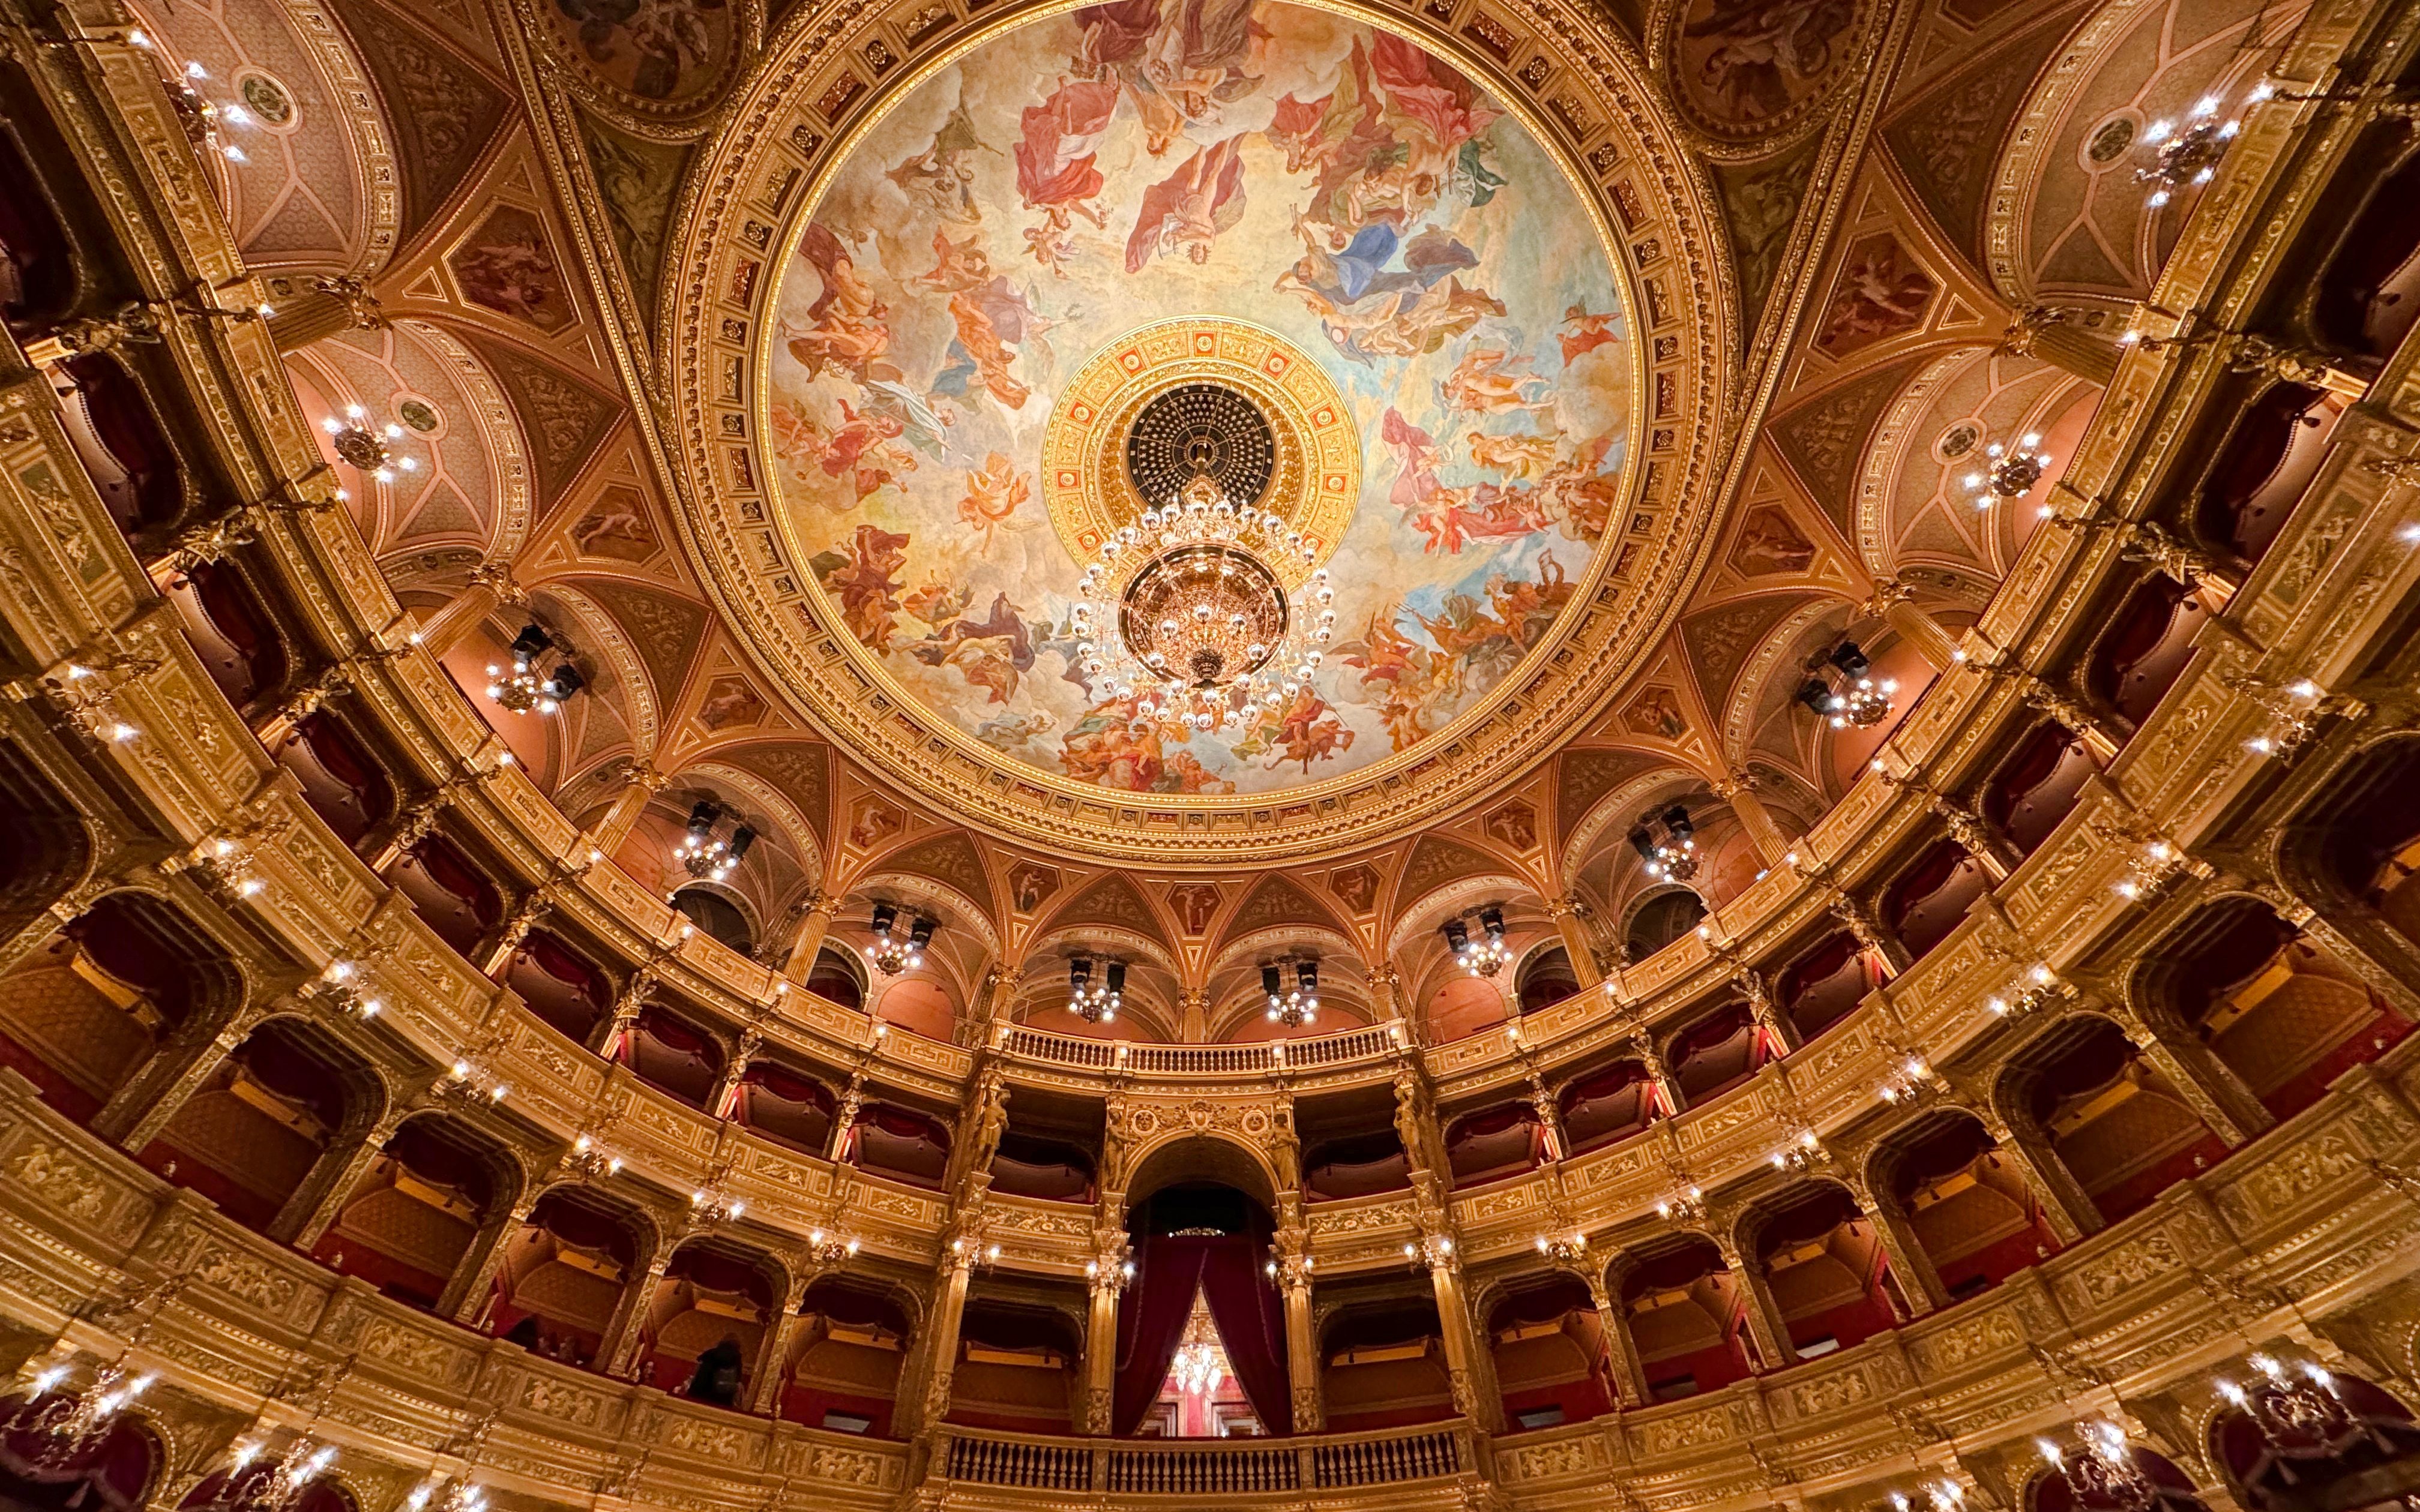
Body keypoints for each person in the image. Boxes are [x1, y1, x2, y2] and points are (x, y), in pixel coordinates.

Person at [687, 1335, 745, 1405]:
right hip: (722, 1397)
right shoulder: (737, 1358)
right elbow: (738, 1378)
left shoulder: (710, 1353)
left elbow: (699, 1370)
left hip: (700, 1391)